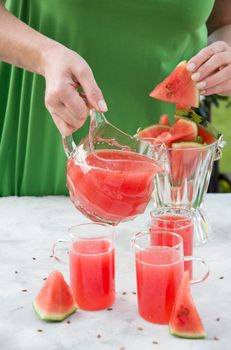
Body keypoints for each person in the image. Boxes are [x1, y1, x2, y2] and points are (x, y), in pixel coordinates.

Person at [0, 0, 231, 196]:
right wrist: (45, 56)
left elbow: (223, 23)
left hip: (167, 176)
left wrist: (223, 57)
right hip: (42, 140)